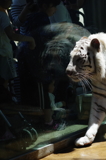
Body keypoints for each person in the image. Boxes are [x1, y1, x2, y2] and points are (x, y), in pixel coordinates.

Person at [16, 0, 65, 131]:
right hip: (36, 64)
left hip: (27, 62)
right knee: (44, 96)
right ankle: (48, 122)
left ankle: (35, 121)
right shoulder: (41, 18)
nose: (55, 9)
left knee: (33, 95)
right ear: (45, 5)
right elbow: (45, 43)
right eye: (53, 5)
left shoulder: (30, 17)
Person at [0, 0, 35, 104]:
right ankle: (6, 104)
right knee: (5, 82)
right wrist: (30, 39)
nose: (11, 2)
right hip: (4, 53)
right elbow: (12, 35)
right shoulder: (2, 15)